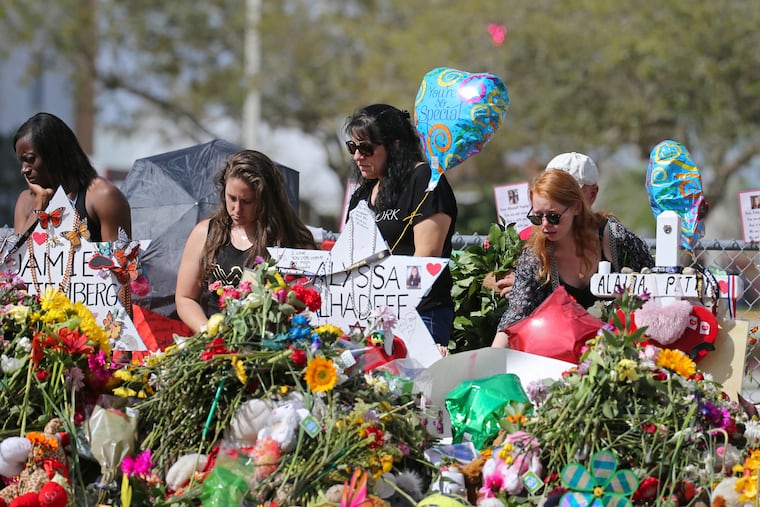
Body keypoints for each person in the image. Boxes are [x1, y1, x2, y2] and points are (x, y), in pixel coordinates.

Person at [492, 169, 653, 347]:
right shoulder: (535, 256)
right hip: (565, 351)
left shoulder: (615, 238)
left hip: (623, 347)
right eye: (537, 217)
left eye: (553, 217)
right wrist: (492, 362)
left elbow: (653, 288)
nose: (545, 225)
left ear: (576, 206)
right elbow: (515, 318)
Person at [344, 104, 457, 346]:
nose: (357, 156)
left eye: (366, 148)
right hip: (366, 315)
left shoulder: (425, 179)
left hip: (419, 314)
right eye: (353, 147)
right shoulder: (363, 192)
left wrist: (390, 306)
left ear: (395, 145)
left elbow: (426, 257)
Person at [176, 150, 316, 333]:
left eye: (247, 201)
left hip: (270, 347)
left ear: (266, 200)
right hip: (215, 346)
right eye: (231, 198)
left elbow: (307, 302)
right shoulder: (205, 232)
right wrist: (207, 332)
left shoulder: (293, 240)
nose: (237, 209)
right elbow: (185, 297)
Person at [487, 152, 601, 297]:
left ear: (593, 194)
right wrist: (520, 284)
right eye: (555, 188)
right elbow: (485, 277)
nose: (562, 197)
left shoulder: (611, 236)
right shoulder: (527, 235)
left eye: (571, 191)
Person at [13, 112, 132, 242]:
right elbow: (13, 259)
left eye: (30, 159)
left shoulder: (102, 197)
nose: (24, 170)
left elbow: (117, 260)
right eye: (21, 161)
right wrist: (39, 203)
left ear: (55, 154)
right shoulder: (26, 201)